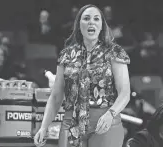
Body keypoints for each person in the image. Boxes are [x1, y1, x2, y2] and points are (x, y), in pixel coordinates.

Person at [34, 4, 131, 147]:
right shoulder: (66, 55)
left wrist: (111, 113)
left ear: (102, 26)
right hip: (71, 122)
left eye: (96, 19)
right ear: (79, 24)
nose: (91, 22)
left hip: (104, 121)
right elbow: (56, 96)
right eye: (86, 18)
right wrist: (43, 127)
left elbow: (125, 93)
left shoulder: (114, 52)